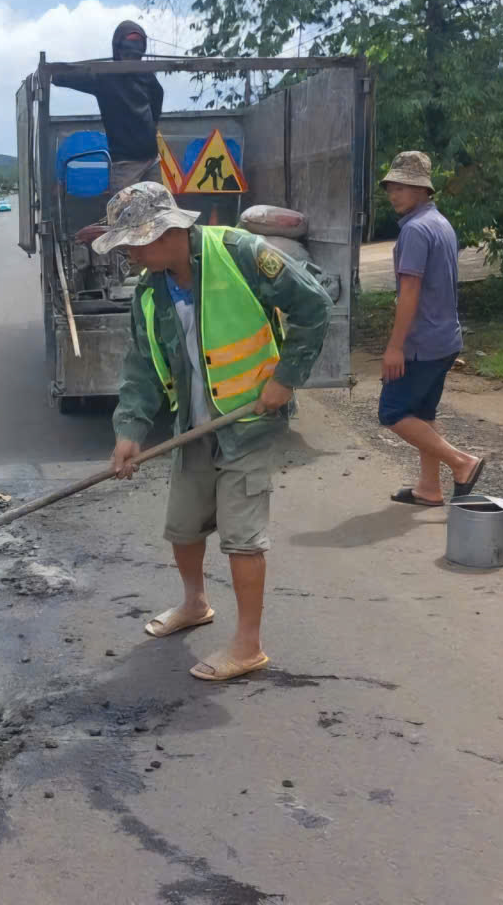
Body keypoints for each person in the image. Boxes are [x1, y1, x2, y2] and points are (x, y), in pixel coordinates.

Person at [93, 182, 332, 681]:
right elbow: (141, 367)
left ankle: (248, 645)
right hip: (194, 424)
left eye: (135, 243)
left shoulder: (240, 253)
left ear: (169, 231)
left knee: (242, 537)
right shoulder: (149, 293)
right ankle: (195, 603)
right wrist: (130, 431)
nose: (130, 255)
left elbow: (313, 305)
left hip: (248, 423)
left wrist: (286, 379)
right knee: (183, 526)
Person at [378, 152, 485, 506]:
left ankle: (462, 462)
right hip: (445, 338)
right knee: (423, 413)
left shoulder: (415, 230)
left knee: (392, 413)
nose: (394, 193)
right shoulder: (439, 222)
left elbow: (409, 292)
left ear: (422, 189)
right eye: (392, 187)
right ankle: (429, 488)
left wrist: (395, 347)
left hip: (421, 342)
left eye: (403, 187)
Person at [52, 21, 164, 191]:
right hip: (126, 163)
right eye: (128, 52)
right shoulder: (104, 77)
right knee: (126, 215)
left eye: (136, 53)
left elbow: (157, 100)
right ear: (118, 50)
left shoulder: (145, 76)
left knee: (156, 213)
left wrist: (55, 74)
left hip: (151, 159)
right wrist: (54, 74)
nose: (132, 57)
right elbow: (65, 77)